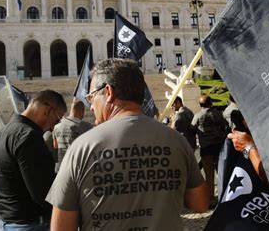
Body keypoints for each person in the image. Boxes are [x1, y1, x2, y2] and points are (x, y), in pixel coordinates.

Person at [46, 59, 208, 230]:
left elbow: (61, 227)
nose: (91, 107)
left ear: (108, 92)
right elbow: (200, 203)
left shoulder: (81, 148)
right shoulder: (176, 141)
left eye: (91, 96)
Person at [0, 90, 67, 230]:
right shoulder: (29, 136)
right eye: (57, 120)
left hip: (5, 222)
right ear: (48, 110)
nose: (54, 127)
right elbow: (45, 192)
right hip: (31, 224)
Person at [191, 95, 227, 203]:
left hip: (206, 149)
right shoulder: (217, 114)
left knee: (209, 176)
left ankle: (210, 198)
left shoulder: (197, 116)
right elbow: (224, 126)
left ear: (200, 104)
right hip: (218, 148)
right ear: (210, 103)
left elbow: (192, 129)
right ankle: (224, 195)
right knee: (220, 172)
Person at [52, 100, 93, 172]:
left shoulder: (57, 126)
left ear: (71, 109)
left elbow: (55, 145)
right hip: (77, 169)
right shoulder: (87, 126)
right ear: (82, 111)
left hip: (60, 168)